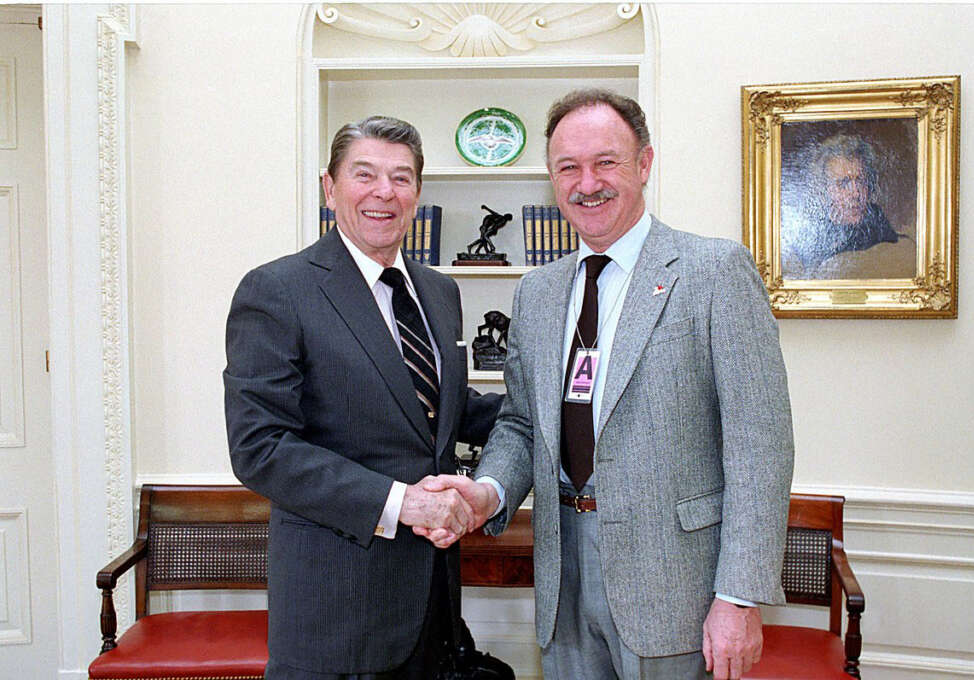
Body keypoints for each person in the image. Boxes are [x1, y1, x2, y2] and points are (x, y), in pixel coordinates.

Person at [418, 90, 795, 680]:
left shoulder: (714, 272)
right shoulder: (537, 293)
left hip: (677, 587)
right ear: (551, 178)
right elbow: (521, 423)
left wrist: (739, 598)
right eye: (568, 167)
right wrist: (489, 491)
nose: (586, 182)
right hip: (562, 571)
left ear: (644, 164)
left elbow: (760, 446)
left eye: (605, 162)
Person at [223, 115, 502, 680]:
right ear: (330, 187)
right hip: (337, 615)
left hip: (434, 610)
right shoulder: (277, 290)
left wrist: (569, 406)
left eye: (401, 178)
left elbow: (442, 411)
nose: (384, 192)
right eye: (365, 174)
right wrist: (403, 503)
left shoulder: (439, 291)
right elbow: (261, 447)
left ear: (418, 194)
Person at [782, 133, 915, 279]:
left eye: (861, 181)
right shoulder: (808, 234)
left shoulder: (878, 224)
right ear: (824, 189)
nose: (856, 193)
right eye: (844, 183)